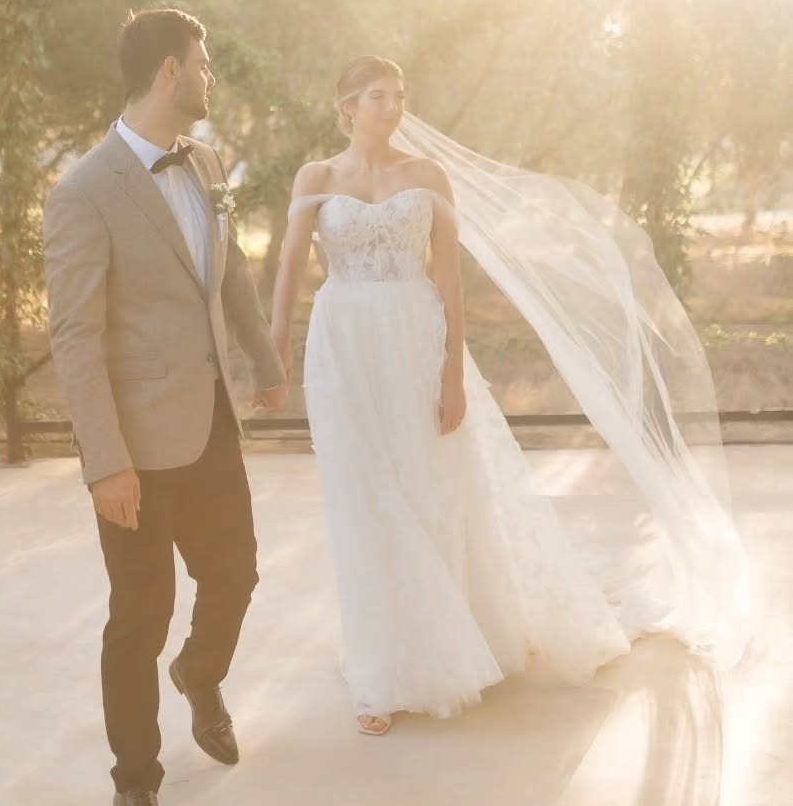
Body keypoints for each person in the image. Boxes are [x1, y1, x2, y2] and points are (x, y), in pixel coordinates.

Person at [270, 55, 747, 736]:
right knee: (361, 498)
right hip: (343, 345)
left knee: (428, 489)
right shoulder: (316, 178)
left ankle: (450, 646)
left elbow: (449, 278)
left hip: (415, 338)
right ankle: (379, 673)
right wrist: (276, 346)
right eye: (379, 95)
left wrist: (452, 373)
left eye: (400, 94)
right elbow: (290, 263)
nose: (393, 106)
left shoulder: (427, 175)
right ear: (348, 105)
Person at [43, 8, 288, 806]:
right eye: (203, 63)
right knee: (139, 618)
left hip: (211, 420)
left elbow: (232, 270)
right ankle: (136, 783)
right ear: (171, 72)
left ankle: (200, 671)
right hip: (135, 450)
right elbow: (75, 337)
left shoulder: (206, 162)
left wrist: (264, 359)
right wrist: (104, 461)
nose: (211, 77)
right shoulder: (84, 192)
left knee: (237, 574)